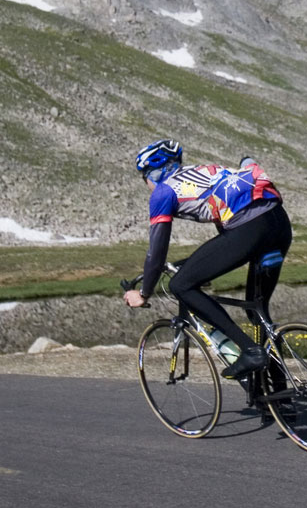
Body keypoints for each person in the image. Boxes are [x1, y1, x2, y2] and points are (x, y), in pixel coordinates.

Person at [122, 139, 292, 382]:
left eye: (144, 177)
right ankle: (279, 397)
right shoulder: (206, 171)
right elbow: (222, 246)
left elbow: (157, 250)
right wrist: (187, 264)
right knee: (258, 312)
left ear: (154, 173)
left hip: (249, 228)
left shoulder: (163, 191)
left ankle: (250, 351)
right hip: (279, 224)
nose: (146, 184)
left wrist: (144, 292)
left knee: (180, 285)